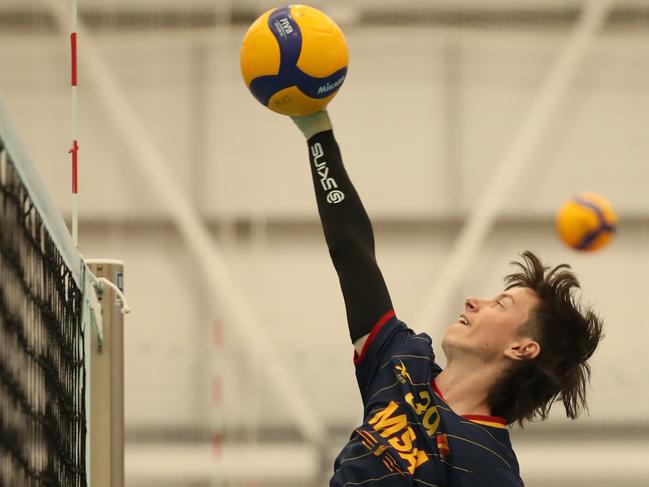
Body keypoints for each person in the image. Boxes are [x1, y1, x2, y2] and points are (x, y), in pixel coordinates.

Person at [291, 110, 604, 486]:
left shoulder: (491, 469)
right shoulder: (402, 360)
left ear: (523, 348)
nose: (474, 301)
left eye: (500, 305)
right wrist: (316, 130)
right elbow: (352, 252)